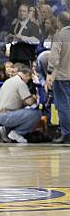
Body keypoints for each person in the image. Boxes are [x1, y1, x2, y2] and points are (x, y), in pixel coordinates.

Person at [0, 65, 41, 143]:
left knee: (23, 112)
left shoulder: (9, 81)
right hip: (7, 115)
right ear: (27, 75)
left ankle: (4, 129)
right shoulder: (20, 83)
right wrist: (34, 98)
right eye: (29, 79)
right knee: (36, 114)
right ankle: (16, 133)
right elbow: (29, 102)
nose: (28, 81)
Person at [46, 12, 70, 144]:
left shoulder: (59, 35)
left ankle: (67, 134)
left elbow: (54, 57)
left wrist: (49, 72)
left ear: (60, 22)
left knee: (64, 106)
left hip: (62, 76)